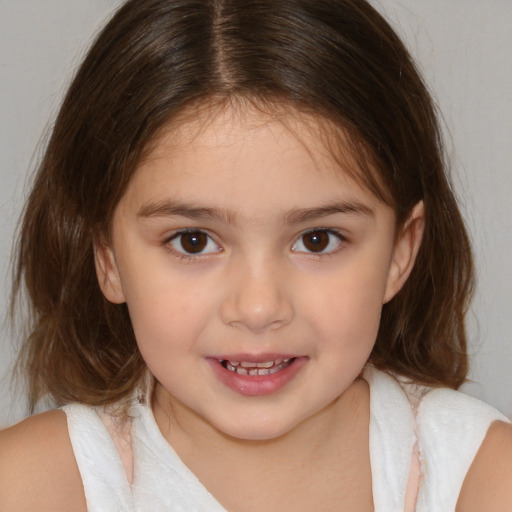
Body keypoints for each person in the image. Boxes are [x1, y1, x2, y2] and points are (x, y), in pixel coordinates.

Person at [0, 0, 511, 510]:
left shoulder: (483, 481)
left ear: (401, 251)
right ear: (108, 258)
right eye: (193, 241)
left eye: (317, 240)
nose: (259, 307)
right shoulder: (28, 487)